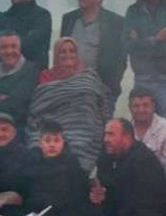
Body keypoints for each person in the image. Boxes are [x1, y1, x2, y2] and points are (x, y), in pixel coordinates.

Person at [0, 120, 101, 216]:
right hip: (31, 211)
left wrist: (95, 188)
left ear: (63, 143)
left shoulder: (71, 164)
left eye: (56, 140)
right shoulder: (30, 160)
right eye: (47, 140)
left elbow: (85, 185)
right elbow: (10, 178)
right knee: (7, 210)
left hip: (59, 213)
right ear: (40, 143)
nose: (52, 145)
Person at [26, 38, 106, 171]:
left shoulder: (89, 76)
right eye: (62, 51)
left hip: (86, 134)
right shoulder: (46, 76)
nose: (68, 55)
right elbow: (39, 107)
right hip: (53, 134)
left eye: (72, 51)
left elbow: (102, 107)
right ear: (56, 55)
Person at [91, 119, 166, 216]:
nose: (106, 139)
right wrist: (97, 193)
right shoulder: (107, 153)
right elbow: (103, 184)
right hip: (119, 206)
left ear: (126, 136)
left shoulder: (144, 159)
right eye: (105, 134)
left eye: (111, 134)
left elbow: (137, 198)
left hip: (142, 209)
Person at [60, 0, 127, 117]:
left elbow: (121, 58)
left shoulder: (116, 22)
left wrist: (109, 86)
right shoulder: (69, 19)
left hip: (101, 90)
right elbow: (60, 51)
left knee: (101, 131)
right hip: (71, 88)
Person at [129, 88, 166, 178]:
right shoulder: (124, 130)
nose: (141, 110)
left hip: (158, 184)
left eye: (145, 105)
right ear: (130, 108)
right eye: (136, 106)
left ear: (153, 106)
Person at [4, 0, 52, 70]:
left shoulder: (42, 16)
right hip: (7, 74)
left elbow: (32, 44)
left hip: (34, 74)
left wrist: (6, 45)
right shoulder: (4, 17)